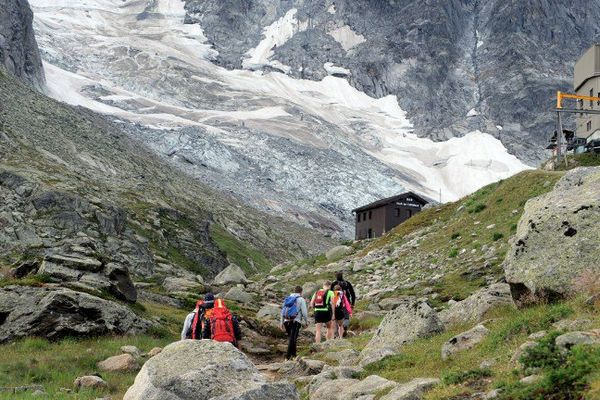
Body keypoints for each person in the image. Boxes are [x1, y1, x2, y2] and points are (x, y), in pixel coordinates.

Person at [280, 285, 309, 360]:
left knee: (292, 338)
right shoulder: (301, 299)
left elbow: (282, 311)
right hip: (295, 321)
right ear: (301, 292)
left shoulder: (288, 298)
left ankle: (294, 355)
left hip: (286, 321)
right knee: (292, 339)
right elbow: (304, 312)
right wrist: (306, 322)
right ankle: (287, 357)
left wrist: (281, 323)